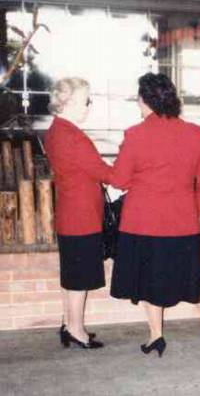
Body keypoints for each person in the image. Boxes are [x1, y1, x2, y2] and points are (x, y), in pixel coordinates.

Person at [108, 73, 200, 357]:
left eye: (139, 101)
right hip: (183, 220)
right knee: (193, 273)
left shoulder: (135, 134)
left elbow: (119, 179)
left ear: (146, 101)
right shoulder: (194, 133)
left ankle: (156, 336)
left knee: (151, 279)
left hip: (143, 221)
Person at [44, 77, 110, 349]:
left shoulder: (56, 131)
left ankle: (68, 323)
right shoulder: (72, 136)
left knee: (72, 276)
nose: (88, 106)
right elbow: (103, 172)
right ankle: (76, 330)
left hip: (70, 214)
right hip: (82, 217)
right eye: (86, 100)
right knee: (79, 278)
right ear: (69, 102)